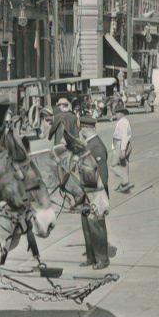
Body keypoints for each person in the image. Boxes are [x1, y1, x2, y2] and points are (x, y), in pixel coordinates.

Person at [55, 107, 110, 270]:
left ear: (86, 129)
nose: (80, 132)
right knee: (87, 228)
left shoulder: (97, 147)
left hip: (95, 196)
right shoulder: (88, 145)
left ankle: (102, 259)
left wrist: (98, 199)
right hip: (86, 194)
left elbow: (103, 176)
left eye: (81, 130)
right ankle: (91, 257)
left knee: (97, 228)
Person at [111, 106, 134, 193]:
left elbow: (124, 136)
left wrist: (123, 150)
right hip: (121, 144)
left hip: (121, 144)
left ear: (121, 113)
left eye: (117, 113)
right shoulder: (123, 121)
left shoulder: (122, 122)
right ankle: (125, 184)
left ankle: (126, 181)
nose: (115, 114)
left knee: (113, 165)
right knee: (124, 164)